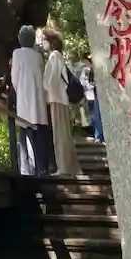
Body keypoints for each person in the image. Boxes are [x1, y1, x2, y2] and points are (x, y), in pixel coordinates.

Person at [9, 24, 51, 176]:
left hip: (24, 100)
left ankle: (26, 169)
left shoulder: (17, 54)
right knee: (40, 135)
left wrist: (20, 90)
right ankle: (42, 168)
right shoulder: (38, 56)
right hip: (38, 100)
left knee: (25, 134)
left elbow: (14, 79)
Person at [42, 28, 80, 177]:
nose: (42, 43)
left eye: (44, 40)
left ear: (50, 41)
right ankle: (67, 166)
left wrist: (44, 87)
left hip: (57, 99)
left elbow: (52, 80)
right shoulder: (56, 56)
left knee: (60, 135)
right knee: (62, 134)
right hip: (58, 99)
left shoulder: (54, 56)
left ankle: (64, 167)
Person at [80, 56, 104, 143]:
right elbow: (82, 81)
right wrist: (89, 85)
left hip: (97, 95)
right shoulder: (86, 70)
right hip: (89, 95)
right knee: (93, 117)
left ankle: (100, 136)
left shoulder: (97, 69)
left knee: (97, 115)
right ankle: (96, 135)